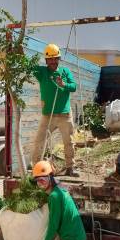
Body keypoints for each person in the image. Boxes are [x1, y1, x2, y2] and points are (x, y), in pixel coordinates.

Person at [32, 43, 79, 177]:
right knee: (39, 142)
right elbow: (28, 66)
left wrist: (63, 84)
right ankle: (37, 169)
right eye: (50, 59)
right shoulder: (42, 72)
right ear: (46, 60)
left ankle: (70, 168)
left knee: (68, 142)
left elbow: (74, 86)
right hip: (48, 116)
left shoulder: (65, 71)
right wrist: (19, 51)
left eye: (55, 58)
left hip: (65, 114)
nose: (53, 61)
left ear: (59, 59)